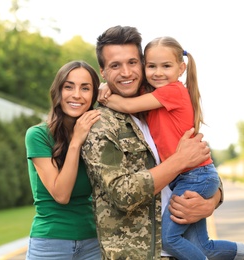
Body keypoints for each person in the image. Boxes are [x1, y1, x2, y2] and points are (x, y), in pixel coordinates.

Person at [81, 25, 224, 260]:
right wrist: (179, 161)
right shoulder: (101, 124)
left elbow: (200, 163)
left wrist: (212, 200)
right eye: (115, 66)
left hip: (180, 251)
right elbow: (121, 193)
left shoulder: (155, 105)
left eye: (132, 62)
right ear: (103, 72)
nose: (126, 73)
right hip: (141, 254)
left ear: (141, 64)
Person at [24, 60, 102, 259]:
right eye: (69, 87)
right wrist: (76, 141)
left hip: (93, 241)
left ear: (94, 95)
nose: (76, 94)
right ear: (58, 91)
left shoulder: (99, 134)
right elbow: (61, 194)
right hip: (50, 244)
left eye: (85, 88)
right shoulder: (37, 135)